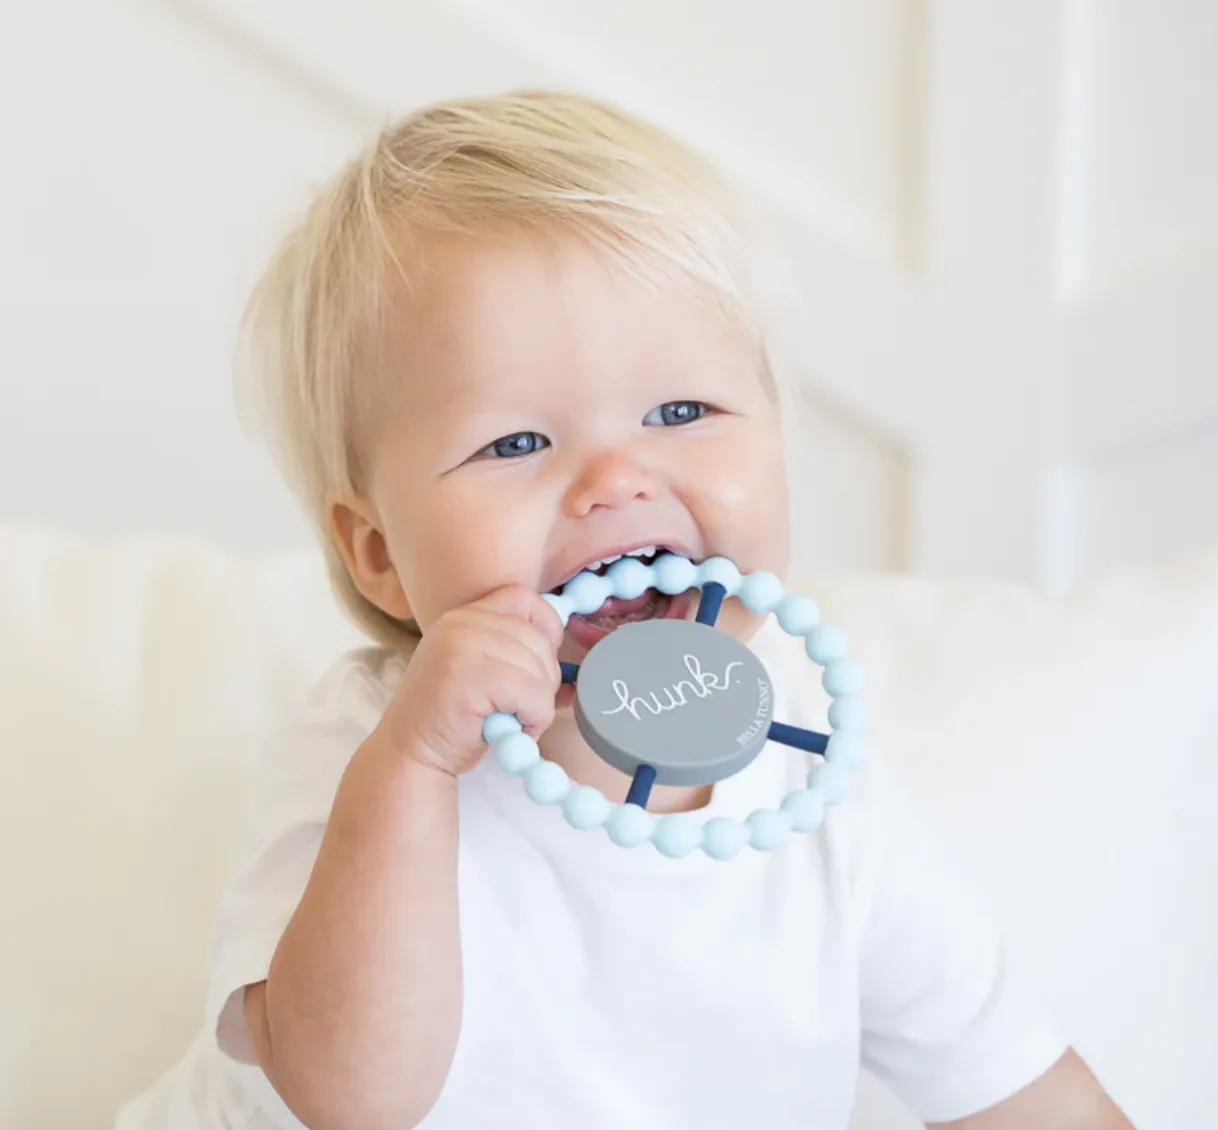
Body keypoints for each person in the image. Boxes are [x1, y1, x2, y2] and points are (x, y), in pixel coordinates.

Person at [116, 89, 1133, 1130]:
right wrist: (414, 767)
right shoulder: (363, 752)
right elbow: (355, 1097)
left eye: (681, 411)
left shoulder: (823, 796)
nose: (615, 477)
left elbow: (1022, 1086)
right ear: (379, 554)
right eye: (514, 443)